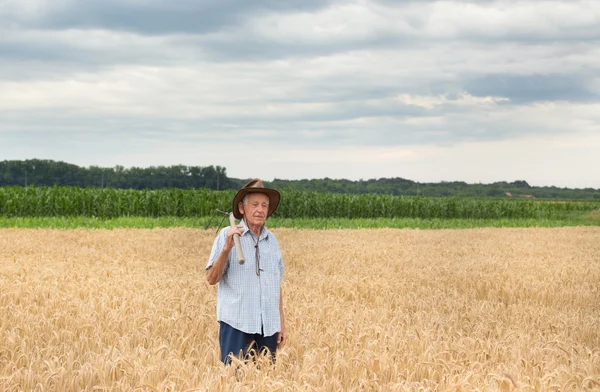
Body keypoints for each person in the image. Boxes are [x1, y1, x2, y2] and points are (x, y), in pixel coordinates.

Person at [206, 178, 287, 365]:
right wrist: (226, 249)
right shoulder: (228, 235)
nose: (260, 209)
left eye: (264, 205)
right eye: (255, 204)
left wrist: (280, 324)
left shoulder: (272, 241)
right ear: (242, 209)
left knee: (264, 382)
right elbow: (211, 278)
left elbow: (276, 286)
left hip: (268, 327)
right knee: (234, 381)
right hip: (237, 325)